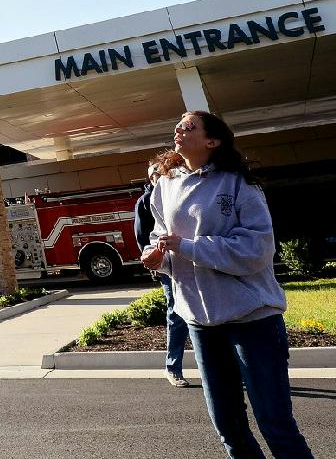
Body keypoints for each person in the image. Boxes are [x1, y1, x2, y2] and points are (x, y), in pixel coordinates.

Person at [142, 110, 317, 459]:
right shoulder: (164, 185)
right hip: (200, 322)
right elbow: (161, 237)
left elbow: (258, 249)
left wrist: (188, 247)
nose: (180, 128)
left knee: (276, 425)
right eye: (178, 123)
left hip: (252, 318)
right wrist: (156, 256)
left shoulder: (240, 184)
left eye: (190, 125)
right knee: (229, 429)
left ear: (212, 141)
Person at [133, 149, 190, 388]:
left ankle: (216, 368)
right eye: (154, 175)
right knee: (176, 316)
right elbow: (142, 235)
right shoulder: (147, 201)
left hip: (191, 260)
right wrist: (154, 262)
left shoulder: (180, 192)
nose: (158, 178)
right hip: (168, 267)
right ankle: (173, 368)